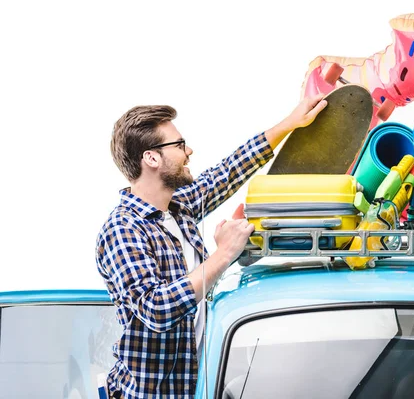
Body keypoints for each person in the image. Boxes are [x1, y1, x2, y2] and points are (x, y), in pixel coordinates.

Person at [95, 94, 327, 398]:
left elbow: (228, 172)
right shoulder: (123, 229)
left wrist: (291, 124)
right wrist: (224, 253)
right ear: (151, 158)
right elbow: (156, 308)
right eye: (179, 145)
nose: (188, 151)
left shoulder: (179, 208)